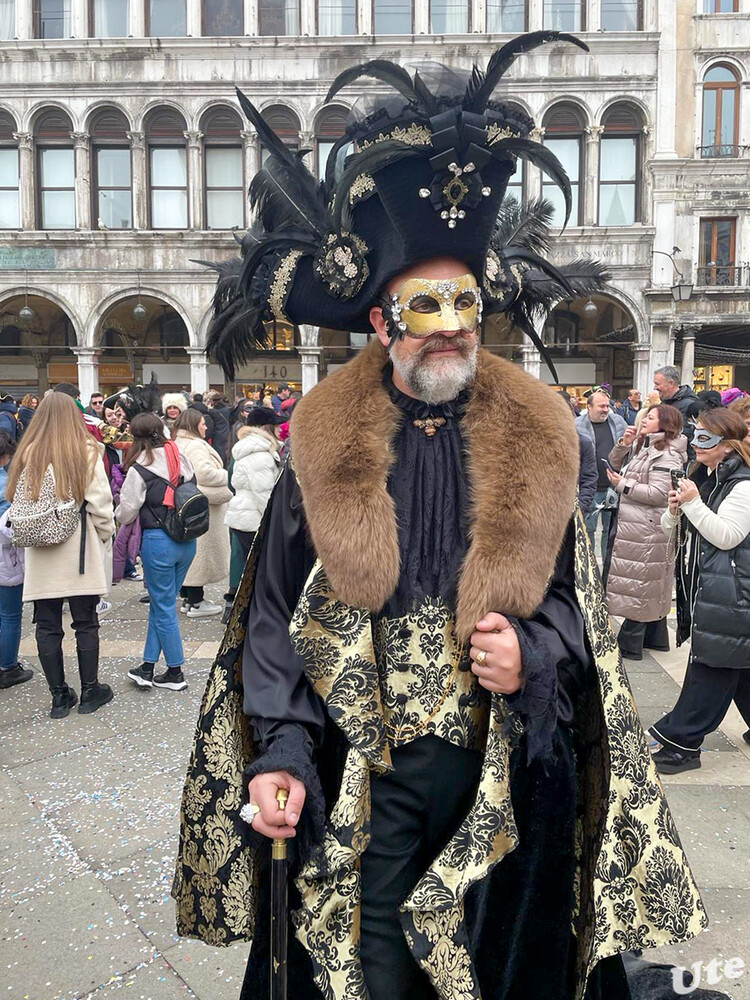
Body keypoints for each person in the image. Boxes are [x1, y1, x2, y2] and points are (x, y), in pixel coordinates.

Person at [174, 38, 707, 1000]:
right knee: (365, 968)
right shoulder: (319, 448)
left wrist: (534, 653)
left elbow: (575, 616)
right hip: (361, 776)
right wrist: (283, 752)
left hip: (498, 773)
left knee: (498, 969)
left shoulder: (538, 439)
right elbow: (272, 622)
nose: (453, 324)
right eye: (427, 304)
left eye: (466, 301)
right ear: (382, 320)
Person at [649, 408, 750, 774]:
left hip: (734, 596)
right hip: (714, 589)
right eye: (696, 435)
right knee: (737, 666)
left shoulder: (743, 485)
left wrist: (692, 504)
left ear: (727, 446)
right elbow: (672, 532)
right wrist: (676, 511)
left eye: (706, 438)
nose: (696, 445)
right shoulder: (705, 478)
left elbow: (727, 536)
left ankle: (681, 743)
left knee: (712, 666)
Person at [5, 393, 114, 718]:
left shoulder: (28, 453)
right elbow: (100, 504)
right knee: (85, 622)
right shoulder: (87, 451)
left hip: (40, 550)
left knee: (47, 625)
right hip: (78, 547)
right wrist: (104, 537)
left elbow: (15, 498)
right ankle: (91, 691)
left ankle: (59, 697)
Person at [115, 412, 197, 691]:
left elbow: (126, 513)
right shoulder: (179, 456)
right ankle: (148, 666)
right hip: (187, 541)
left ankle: (175, 672)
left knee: (163, 608)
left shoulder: (140, 468)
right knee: (162, 606)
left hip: (158, 542)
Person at [603, 404, 687, 661]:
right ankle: (655, 639)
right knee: (648, 584)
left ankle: (630, 643)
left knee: (641, 584)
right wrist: (625, 443)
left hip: (648, 529)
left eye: (650, 417)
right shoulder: (646, 446)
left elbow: (660, 495)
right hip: (637, 525)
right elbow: (615, 464)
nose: (644, 421)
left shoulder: (668, 454)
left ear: (665, 424)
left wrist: (623, 486)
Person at [222, 408, 283, 623]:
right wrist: (275, 521)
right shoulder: (260, 453)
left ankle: (239, 612)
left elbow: (232, 482)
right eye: (275, 425)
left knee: (246, 567)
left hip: (242, 515)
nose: (279, 429)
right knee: (258, 570)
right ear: (266, 427)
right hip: (254, 519)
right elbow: (264, 493)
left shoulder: (246, 448)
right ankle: (250, 616)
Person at [173, 408, 231, 616]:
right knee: (202, 555)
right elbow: (204, 474)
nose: (206, 426)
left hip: (190, 503)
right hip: (204, 507)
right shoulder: (196, 445)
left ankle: (189, 599)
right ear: (193, 425)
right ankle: (197, 601)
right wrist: (227, 476)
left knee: (194, 553)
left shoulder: (180, 442)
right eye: (202, 423)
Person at [575, 389, 626, 560]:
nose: (605, 409)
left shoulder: (618, 422)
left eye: (607, 406)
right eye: (601, 406)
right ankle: (589, 569)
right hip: (589, 487)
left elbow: (627, 450)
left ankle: (607, 569)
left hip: (613, 486)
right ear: (589, 407)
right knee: (587, 529)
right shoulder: (577, 425)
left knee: (610, 531)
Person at [0, 430, 32, 689]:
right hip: (5, 561)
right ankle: (7, 667)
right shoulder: (6, 486)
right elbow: (9, 531)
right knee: (10, 615)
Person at [653, 365, 699, 435]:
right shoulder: (665, 401)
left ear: (671, 383)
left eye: (657, 384)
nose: (654, 388)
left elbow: (687, 435)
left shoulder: (689, 405)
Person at [204, 389, 231, 465]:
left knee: (219, 452)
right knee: (227, 450)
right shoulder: (228, 409)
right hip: (227, 432)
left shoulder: (213, 412)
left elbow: (207, 411)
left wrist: (208, 407)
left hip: (217, 434)